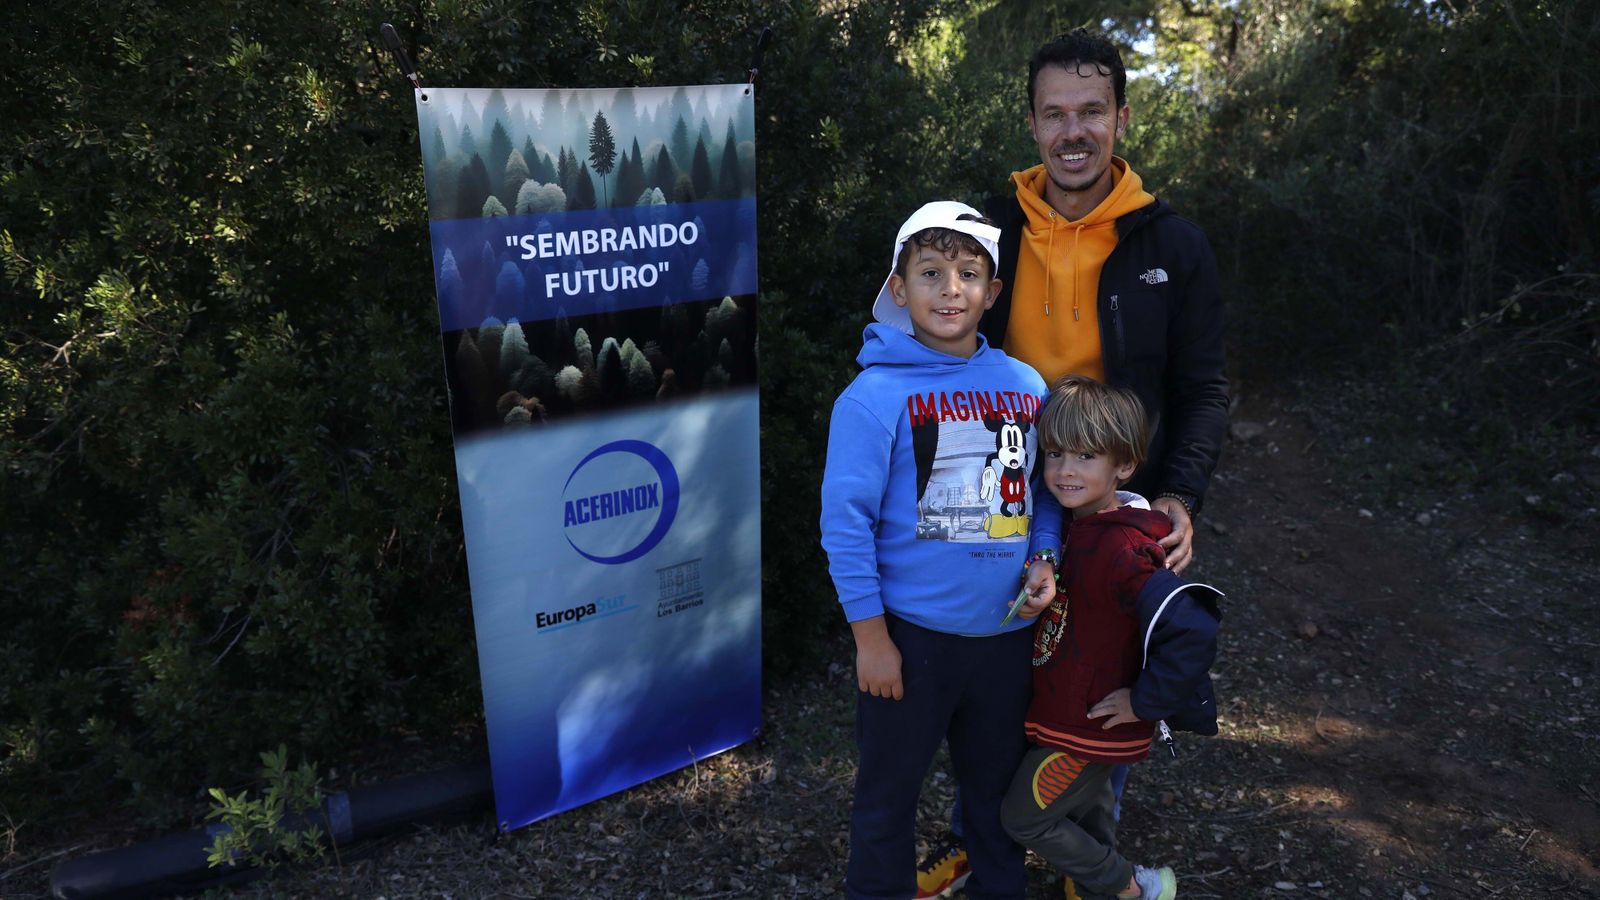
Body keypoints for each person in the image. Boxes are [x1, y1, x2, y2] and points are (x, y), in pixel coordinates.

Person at [916, 29, 1230, 899]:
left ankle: (1082, 861)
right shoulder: (988, 232)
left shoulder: (1171, 245)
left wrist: (1179, 493)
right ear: (1032, 124)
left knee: (1096, 679)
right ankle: (977, 841)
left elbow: (1204, 386)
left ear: (1122, 118)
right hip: (993, 493)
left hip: (1109, 505)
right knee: (992, 676)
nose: (1073, 131)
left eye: (1091, 111)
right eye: (1055, 114)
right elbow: (933, 340)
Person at [822, 200, 1047, 900]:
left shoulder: (1026, 387)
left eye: (968, 274)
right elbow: (845, 526)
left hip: (1007, 642)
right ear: (899, 288)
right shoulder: (872, 397)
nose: (951, 289)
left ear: (993, 292)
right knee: (886, 803)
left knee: (998, 803)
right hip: (910, 644)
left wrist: (1045, 557)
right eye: (930, 272)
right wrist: (871, 640)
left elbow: (1042, 495)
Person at [1001, 374, 1222, 900]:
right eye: (1055, 454)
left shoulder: (1123, 547)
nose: (1065, 470)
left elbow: (1193, 627)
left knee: (1023, 819)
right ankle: (1095, 889)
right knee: (1090, 812)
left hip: (1087, 727)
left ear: (1123, 465)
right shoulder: (1077, 527)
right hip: (1071, 716)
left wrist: (1145, 701)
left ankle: (1132, 888)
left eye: (1085, 456)